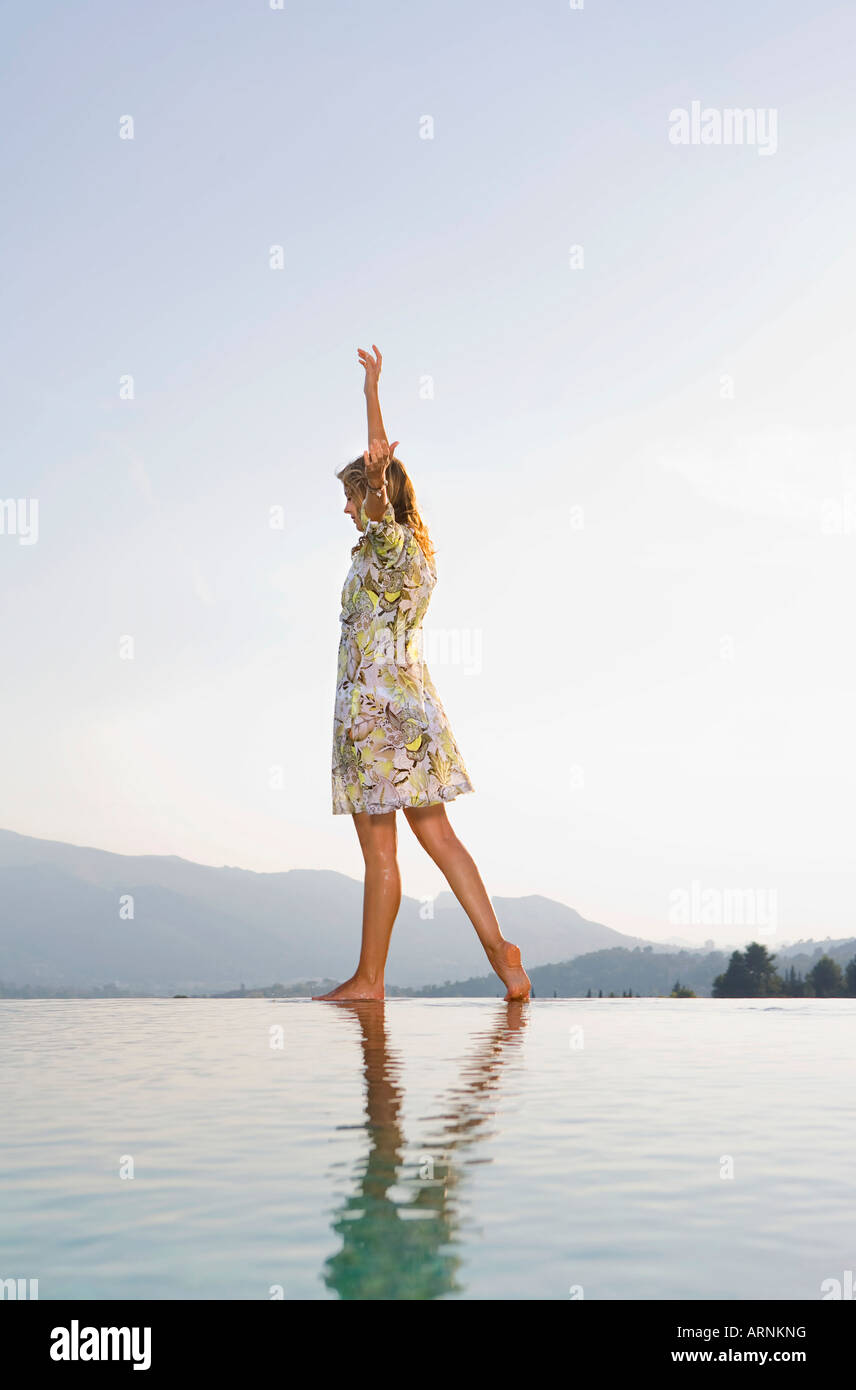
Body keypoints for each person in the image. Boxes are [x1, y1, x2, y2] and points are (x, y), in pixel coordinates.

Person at [314, 345, 530, 1003]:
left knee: (382, 853)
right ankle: (501, 952)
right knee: (438, 834)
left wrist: (372, 396)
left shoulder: (385, 541)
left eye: (353, 498)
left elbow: (379, 476)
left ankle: (370, 981)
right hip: (411, 706)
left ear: (377, 493)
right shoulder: (415, 554)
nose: (348, 509)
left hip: (375, 716)